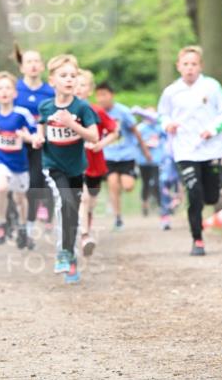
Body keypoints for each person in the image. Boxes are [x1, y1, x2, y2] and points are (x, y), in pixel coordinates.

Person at [158, 45, 222, 255]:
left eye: (194, 64)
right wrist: (168, 125)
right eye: (186, 64)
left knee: (210, 197)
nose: (190, 68)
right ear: (178, 66)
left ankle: (207, 201)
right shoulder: (171, 91)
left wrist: (213, 129)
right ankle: (197, 239)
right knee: (194, 193)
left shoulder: (212, 86)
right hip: (184, 150)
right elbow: (162, 114)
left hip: (210, 149)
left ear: (200, 66)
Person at [34, 54, 98, 284]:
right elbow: (41, 127)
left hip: (76, 168)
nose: (69, 79)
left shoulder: (82, 107)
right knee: (65, 202)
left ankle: (70, 258)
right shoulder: (46, 106)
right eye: (63, 75)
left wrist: (72, 124)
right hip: (53, 166)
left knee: (72, 212)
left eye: (73, 75)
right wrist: (38, 138)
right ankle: (62, 253)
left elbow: (93, 136)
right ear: (52, 80)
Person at [0, 72, 36, 247]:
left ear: (15, 93)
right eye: (0, 88)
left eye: (8, 88)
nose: (4, 91)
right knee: (1, 187)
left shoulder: (22, 113)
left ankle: (23, 228)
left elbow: (34, 134)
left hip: (19, 162)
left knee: (20, 198)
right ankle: (1, 222)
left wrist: (27, 137)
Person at [94, 82, 151, 230]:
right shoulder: (96, 112)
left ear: (111, 95)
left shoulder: (123, 112)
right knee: (113, 184)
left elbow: (135, 131)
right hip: (108, 155)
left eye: (104, 95)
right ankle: (118, 218)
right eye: (98, 95)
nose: (101, 98)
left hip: (126, 155)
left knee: (128, 186)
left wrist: (145, 150)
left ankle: (129, 178)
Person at [75, 70, 119, 258]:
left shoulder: (96, 111)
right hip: (75, 164)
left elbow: (114, 131)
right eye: (75, 84)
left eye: (83, 85)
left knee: (91, 201)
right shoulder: (64, 112)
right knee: (83, 198)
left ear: (90, 90)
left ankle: (86, 223)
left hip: (95, 164)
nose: (78, 88)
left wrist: (101, 144)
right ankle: (85, 236)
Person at [13, 47, 55, 232]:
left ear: (42, 66)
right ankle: (19, 218)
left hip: (42, 142)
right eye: (29, 62)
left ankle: (42, 215)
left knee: (41, 180)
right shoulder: (14, 90)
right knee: (21, 184)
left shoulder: (50, 91)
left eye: (36, 61)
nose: (33, 65)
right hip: (19, 143)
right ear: (22, 67)